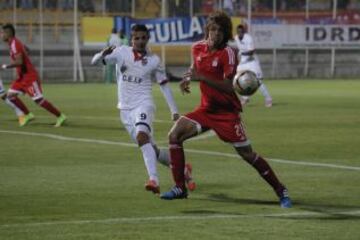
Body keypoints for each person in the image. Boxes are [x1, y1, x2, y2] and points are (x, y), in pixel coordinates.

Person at [160, 11, 292, 208]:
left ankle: (281, 190)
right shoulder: (197, 48)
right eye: (212, 29)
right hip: (206, 110)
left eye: (220, 31)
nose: (216, 34)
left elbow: (229, 86)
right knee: (174, 135)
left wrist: (202, 78)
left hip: (227, 114)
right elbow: (195, 67)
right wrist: (188, 78)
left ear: (226, 33)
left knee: (248, 155)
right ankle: (180, 187)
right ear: (207, 30)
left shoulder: (229, 53)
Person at [91, 24, 196, 195]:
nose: (140, 41)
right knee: (150, 149)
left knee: (142, 137)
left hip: (144, 104)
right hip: (125, 110)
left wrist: (174, 110)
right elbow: (94, 61)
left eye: (143, 38)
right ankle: (183, 170)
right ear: (131, 39)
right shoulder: (120, 52)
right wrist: (102, 54)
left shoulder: (154, 60)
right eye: (136, 38)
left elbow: (164, 86)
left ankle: (153, 180)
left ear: (147, 38)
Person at [0, 23, 66, 127]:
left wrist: (4, 66)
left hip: (30, 77)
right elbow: (27, 50)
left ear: (8, 33)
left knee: (38, 100)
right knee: (10, 96)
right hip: (22, 78)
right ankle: (28, 115)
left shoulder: (14, 44)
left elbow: (20, 61)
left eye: (2, 32)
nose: (1, 34)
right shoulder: (14, 43)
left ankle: (60, 116)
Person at [231, 23, 273, 107]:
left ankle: (268, 99)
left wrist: (241, 53)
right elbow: (232, 42)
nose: (240, 33)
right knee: (238, 80)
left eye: (241, 32)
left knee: (258, 81)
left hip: (252, 62)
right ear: (237, 32)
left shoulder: (248, 38)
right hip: (242, 63)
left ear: (244, 32)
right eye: (238, 32)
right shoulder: (236, 38)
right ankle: (245, 98)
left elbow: (252, 51)